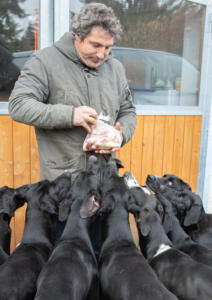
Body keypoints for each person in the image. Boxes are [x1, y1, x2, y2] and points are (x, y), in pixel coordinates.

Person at [8, 3, 137, 250]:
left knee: (104, 260)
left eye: (108, 48)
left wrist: (122, 135)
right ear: (77, 36)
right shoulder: (45, 61)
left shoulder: (116, 68)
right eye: (95, 45)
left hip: (105, 187)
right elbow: (19, 105)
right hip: (64, 191)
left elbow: (128, 111)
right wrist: (70, 115)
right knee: (66, 266)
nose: (102, 55)